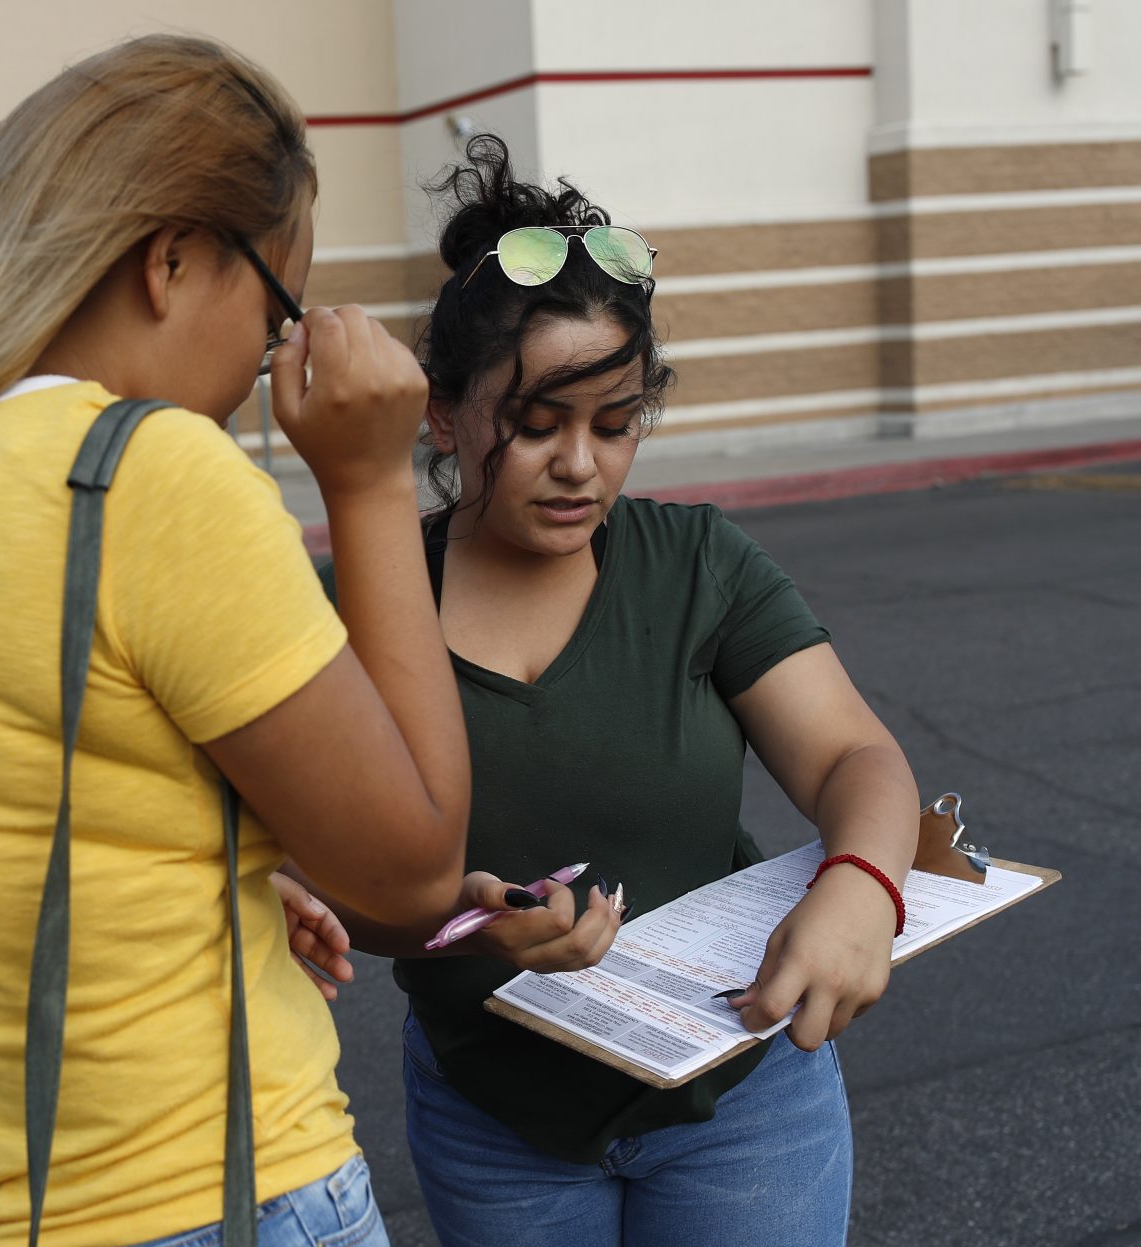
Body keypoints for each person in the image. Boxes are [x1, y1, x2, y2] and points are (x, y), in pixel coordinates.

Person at [0, 34, 475, 1247]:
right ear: (172, 257)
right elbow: (411, 876)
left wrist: (213, 866)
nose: (266, 365)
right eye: (277, 309)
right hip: (202, 1196)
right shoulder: (143, 473)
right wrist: (375, 483)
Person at [311, 136, 921, 1247]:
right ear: (442, 417)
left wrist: (863, 884)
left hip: (742, 1097)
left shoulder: (699, 565)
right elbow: (312, 889)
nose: (581, 464)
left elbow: (852, 759)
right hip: (497, 1118)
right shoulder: (361, 595)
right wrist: (458, 925)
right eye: (537, 424)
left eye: (617, 422)